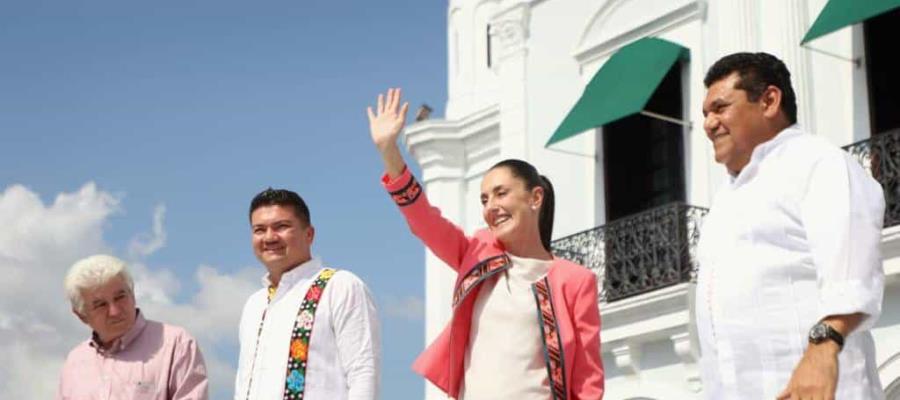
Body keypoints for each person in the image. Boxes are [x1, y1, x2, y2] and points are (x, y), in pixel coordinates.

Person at [367, 88, 604, 399]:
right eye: (484, 198)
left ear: (535, 197)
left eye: (501, 193)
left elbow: (588, 382)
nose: (490, 205)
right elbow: (424, 220)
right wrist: (390, 153)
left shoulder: (575, 281)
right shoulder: (475, 253)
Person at [696, 52, 886, 399]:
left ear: (769, 100)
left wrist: (822, 350)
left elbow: (850, 271)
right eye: (705, 114)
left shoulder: (817, 163)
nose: (709, 124)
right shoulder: (725, 199)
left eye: (720, 108)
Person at [234, 188, 381, 400]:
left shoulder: (339, 286)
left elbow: (363, 372)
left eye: (281, 226)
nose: (269, 237)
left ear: (309, 234)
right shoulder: (254, 305)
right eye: (259, 229)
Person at [58, 254, 209, 400]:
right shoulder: (75, 361)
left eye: (120, 297)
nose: (115, 311)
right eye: (101, 305)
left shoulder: (177, 344)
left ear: (133, 294)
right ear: (82, 316)